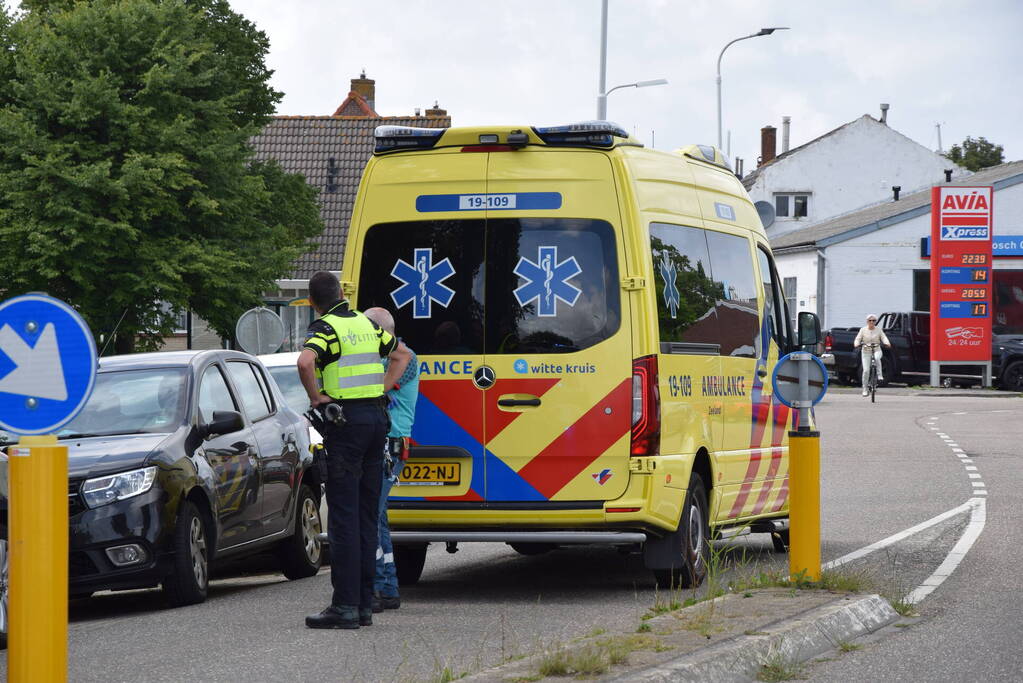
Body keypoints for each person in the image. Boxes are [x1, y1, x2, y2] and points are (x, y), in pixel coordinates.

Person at [298, 272, 411, 629]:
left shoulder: (327, 328)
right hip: (376, 421)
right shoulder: (366, 324)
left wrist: (316, 397)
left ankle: (345, 607)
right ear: (340, 294)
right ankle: (364, 604)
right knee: (365, 516)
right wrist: (381, 388)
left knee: (344, 518)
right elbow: (402, 355)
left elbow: (304, 362)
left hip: (346, 425)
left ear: (314, 301)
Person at [363, 307, 420, 612]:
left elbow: (378, 389)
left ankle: (374, 587)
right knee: (379, 517)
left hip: (389, 445)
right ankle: (388, 588)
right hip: (385, 444)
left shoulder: (403, 358)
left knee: (369, 515)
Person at [853, 314, 892, 396]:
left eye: (874, 320)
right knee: (866, 370)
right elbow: (858, 339)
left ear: (876, 322)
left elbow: (884, 337)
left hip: (876, 349)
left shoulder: (879, 330)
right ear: (867, 321)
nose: (872, 322)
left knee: (877, 358)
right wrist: (857, 344)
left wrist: (887, 343)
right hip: (866, 351)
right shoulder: (863, 330)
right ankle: (864, 388)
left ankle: (879, 375)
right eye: (870, 320)